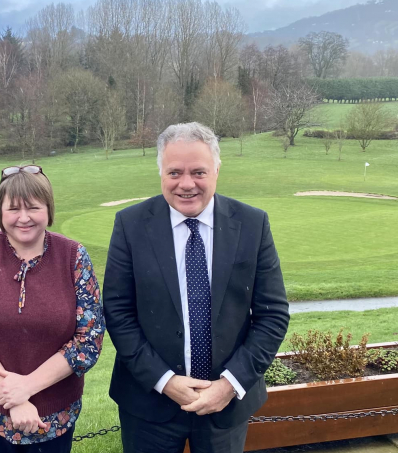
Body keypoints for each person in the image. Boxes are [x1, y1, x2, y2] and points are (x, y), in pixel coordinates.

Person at [103, 122, 290, 453]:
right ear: (161, 172)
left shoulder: (252, 225)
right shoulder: (130, 226)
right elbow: (118, 313)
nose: (186, 184)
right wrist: (165, 381)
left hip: (225, 407)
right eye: (174, 172)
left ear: (217, 170)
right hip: (149, 405)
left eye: (198, 172)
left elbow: (272, 314)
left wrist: (229, 386)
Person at [0, 165, 105, 453]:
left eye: (33, 207)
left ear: (48, 208)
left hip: (56, 415)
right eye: (13, 209)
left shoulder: (73, 256)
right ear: (0, 212)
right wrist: (16, 400)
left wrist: (28, 387)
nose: (24, 218)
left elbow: (89, 340)